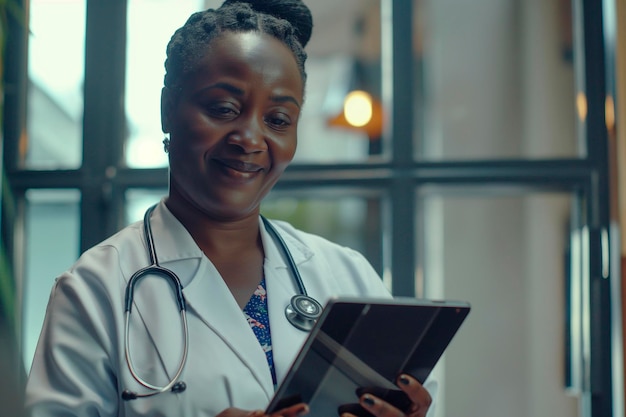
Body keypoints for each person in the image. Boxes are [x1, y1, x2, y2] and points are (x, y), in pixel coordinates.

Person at [24, 1, 435, 416]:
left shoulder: (346, 276)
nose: (250, 139)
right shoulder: (96, 290)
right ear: (169, 107)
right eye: (224, 109)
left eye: (278, 119)